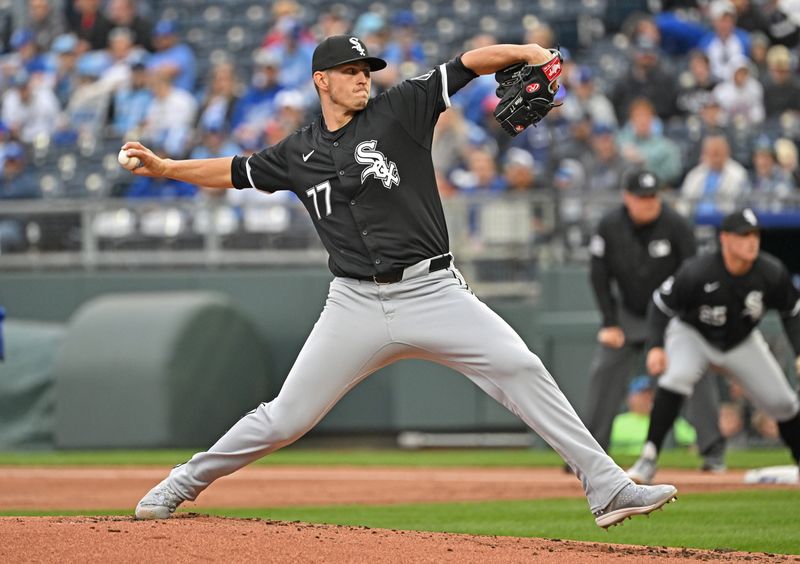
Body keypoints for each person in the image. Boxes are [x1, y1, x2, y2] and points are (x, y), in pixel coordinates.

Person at [126, 34, 678, 528]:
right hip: (354, 303)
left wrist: (529, 54)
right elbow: (235, 171)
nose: (363, 76)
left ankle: (607, 487)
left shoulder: (401, 109)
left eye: (366, 68)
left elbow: (465, 63)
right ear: (322, 80)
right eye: (350, 69)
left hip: (433, 290)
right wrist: (168, 168)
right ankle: (183, 482)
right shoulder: (297, 152)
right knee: (286, 418)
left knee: (520, 366)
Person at [628, 208, 800, 484]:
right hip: (692, 335)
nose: (752, 241)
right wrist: (657, 346)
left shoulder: (770, 271)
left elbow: (792, 311)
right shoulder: (699, 270)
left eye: (755, 235)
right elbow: (660, 305)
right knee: (677, 377)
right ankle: (648, 458)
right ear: (725, 239)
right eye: (744, 235)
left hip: (740, 341)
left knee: (783, 402)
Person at [584, 169, 726, 471]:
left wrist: (691, 324)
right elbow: (598, 275)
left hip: (673, 314)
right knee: (604, 370)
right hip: (629, 313)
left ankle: (712, 451)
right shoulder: (609, 225)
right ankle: (587, 454)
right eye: (642, 197)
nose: (649, 202)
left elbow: (694, 275)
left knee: (695, 370)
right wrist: (609, 322)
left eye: (653, 196)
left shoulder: (675, 224)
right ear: (627, 198)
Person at [609, 375, 697, 456]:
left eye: (650, 394)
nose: (647, 398)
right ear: (630, 398)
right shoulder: (617, 422)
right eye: (642, 394)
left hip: (665, 468)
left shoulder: (669, 420)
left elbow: (694, 445)